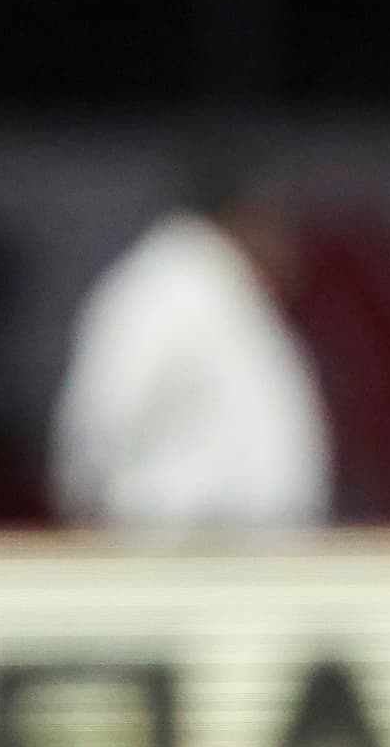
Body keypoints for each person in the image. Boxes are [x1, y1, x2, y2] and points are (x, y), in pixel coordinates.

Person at [51, 169, 332, 535]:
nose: (287, 244)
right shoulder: (161, 286)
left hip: (246, 554)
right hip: (175, 550)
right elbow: (95, 426)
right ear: (244, 213)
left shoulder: (229, 287)